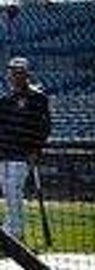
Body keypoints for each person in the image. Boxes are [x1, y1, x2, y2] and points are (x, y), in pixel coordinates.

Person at [0, 57, 51, 242]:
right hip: (4, 153)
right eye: (12, 73)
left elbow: (44, 127)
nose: (14, 76)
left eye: (18, 72)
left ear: (26, 74)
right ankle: (10, 226)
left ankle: (16, 231)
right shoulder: (6, 99)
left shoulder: (37, 97)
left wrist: (36, 149)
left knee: (14, 189)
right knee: (7, 191)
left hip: (22, 153)